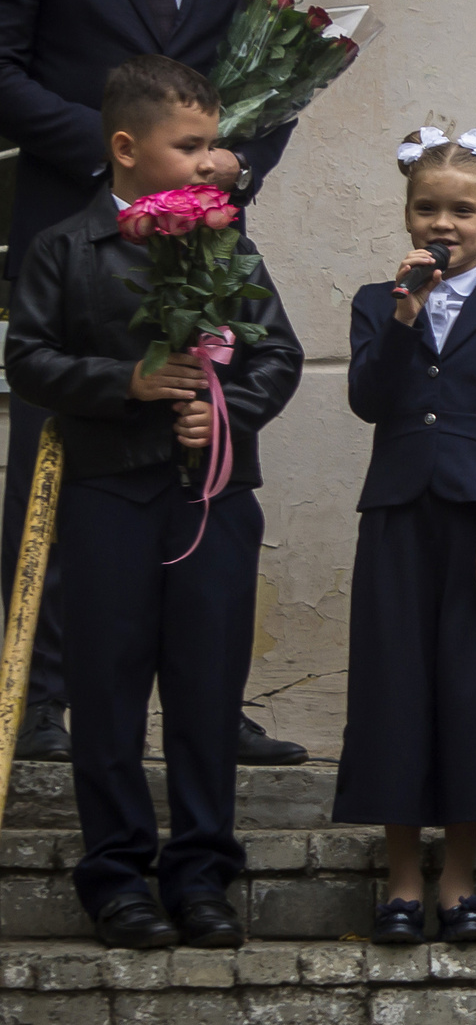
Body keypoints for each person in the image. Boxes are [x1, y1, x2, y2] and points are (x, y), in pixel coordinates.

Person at [0, 0, 305, 769]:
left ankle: (213, 701)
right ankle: (37, 696)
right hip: (77, 230)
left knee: (204, 441)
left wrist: (231, 168)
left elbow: (260, 86)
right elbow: (3, 72)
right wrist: (124, 165)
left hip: (202, 245)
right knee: (58, 452)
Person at [2, 56, 303, 949]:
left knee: (208, 691)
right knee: (107, 694)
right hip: (108, 499)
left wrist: (226, 414)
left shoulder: (227, 243)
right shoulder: (64, 248)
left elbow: (276, 358)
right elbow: (28, 364)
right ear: (127, 148)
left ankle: (203, 872)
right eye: (192, 145)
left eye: (216, 144)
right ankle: (117, 876)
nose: (213, 162)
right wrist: (125, 383)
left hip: (210, 499)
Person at [334, 124, 476, 944]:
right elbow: (369, 401)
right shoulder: (375, 301)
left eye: (462, 209)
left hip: (474, 528)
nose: (443, 223)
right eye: (427, 208)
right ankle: (400, 880)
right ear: (407, 216)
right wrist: (401, 317)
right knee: (393, 690)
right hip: (396, 519)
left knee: (472, 693)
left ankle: (458, 880)